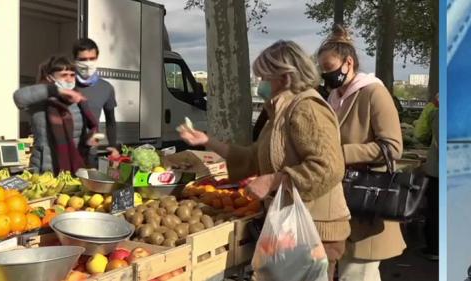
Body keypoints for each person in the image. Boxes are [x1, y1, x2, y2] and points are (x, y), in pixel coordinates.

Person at [179, 40, 351, 281]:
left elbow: (329, 167)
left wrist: (272, 181)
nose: (260, 84)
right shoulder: (280, 111)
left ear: (285, 76)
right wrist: (207, 141)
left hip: (315, 229)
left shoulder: (307, 108)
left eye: (263, 77)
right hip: (290, 225)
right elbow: (252, 156)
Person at [317, 25, 405, 281]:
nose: (327, 75)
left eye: (330, 68)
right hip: (338, 204)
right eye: (323, 70)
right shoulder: (333, 96)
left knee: (356, 274)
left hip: (365, 202)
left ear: (348, 63)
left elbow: (392, 147)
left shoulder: (374, 93)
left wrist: (341, 153)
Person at [14, 56, 99, 174]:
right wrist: (57, 91)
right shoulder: (39, 101)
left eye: (72, 75)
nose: (69, 80)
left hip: (73, 169)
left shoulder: (79, 101)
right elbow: (19, 97)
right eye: (64, 75)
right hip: (43, 169)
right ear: (50, 77)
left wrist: (90, 143)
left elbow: (90, 131)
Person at [72, 38, 119, 165]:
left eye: (91, 59)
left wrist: (113, 146)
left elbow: (111, 120)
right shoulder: (66, 85)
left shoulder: (106, 88)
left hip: (90, 153)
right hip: (66, 151)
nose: (88, 63)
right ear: (75, 60)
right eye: (83, 59)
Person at [414, 93, 439, 260]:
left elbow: (420, 134)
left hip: (438, 169)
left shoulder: (438, 111)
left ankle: (434, 249)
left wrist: (431, 106)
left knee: (435, 210)